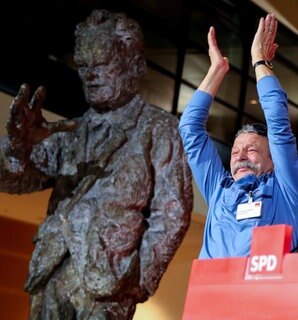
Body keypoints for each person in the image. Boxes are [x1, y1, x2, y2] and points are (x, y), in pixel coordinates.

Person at [0, 10, 193, 319]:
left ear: (134, 65)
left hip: (109, 282)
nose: (91, 74)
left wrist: (138, 282)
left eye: (103, 64)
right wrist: (17, 148)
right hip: (50, 271)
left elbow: (172, 214)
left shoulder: (160, 129)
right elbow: (16, 179)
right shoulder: (69, 132)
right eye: (83, 66)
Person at [179, 13, 298, 259]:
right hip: (211, 293)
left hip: (264, 295)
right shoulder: (219, 189)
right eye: (236, 151)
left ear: (273, 160)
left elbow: (278, 125)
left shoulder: (287, 188)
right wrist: (216, 71)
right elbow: (190, 129)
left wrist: (259, 61)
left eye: (251, 150)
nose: (240, 157)